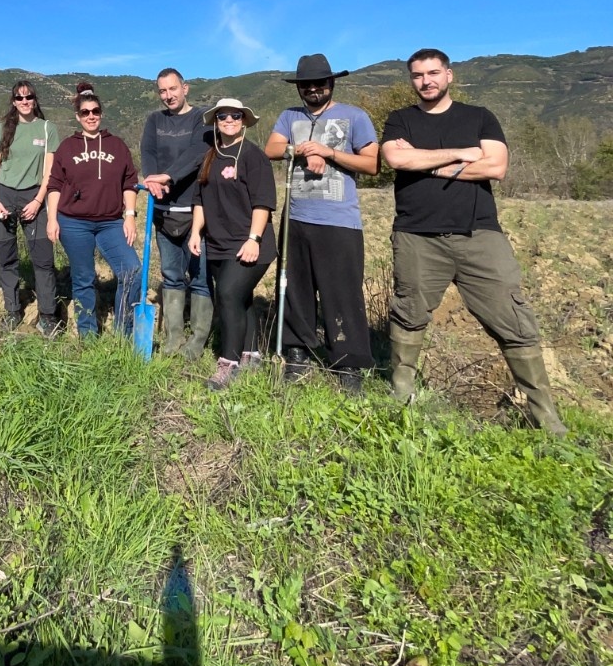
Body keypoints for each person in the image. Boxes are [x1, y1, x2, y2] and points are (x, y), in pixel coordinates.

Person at [380, 49, 565, 433]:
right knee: (409, 314)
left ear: (449, 75)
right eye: (417, 75)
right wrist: (463, 155)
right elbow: (397, 160)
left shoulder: (479, 116)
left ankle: (546, 419)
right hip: (417, 235)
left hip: (479, 234)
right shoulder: (400, 119)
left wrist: (428, 164)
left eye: (433, 73)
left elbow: (496, 166)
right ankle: (402, 400)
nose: (426, 81)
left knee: (513, 320)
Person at [264, 53, 379, 389]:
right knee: (295, 289)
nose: (313, 89)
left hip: (339, 220)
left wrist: (329, 153)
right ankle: (297, 352)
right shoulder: (289, 116)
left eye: (319, 83)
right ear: (298, 88)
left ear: (331, 83)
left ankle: (348, 363)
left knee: (341, 292)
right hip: (296, 217)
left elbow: (371, 164)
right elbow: (272, 149)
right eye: (306, 85)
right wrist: (302, 150)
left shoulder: (355, 117)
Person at [189, 98, 276, 388]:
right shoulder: (210, 157)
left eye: (235, 115)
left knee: (227, 294)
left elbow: (263, 203)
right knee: (240, 298)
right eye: (223, 116)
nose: (229, 120)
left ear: (243, 120)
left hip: (250, 243)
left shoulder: (253, 156)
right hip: (218, 243)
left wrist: (254, 239)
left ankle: (228, 364)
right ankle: (252, 355)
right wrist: (195, 232)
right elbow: (200, 200)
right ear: (216, 121)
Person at [46, 83, 141, 340]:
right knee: (84, 277)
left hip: (111, 222)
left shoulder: (117, 146)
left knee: (132, 271)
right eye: (85, 112)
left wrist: (130, 216)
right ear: (78, 116)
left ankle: (124, 332)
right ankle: (87, 335)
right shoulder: (67, 147)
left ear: (101, 113)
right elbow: (54, 185)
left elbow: (130, 182)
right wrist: (52, 219)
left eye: (95, 111)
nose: (91, 116)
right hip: (74, 222)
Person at [140, 68, 215, 358]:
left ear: (185, 88)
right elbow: (148, 152)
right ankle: (173, 338)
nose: (168, 95)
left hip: (195, 210)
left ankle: (197, 341)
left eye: (173, 89)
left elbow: (197, 153)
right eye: (162, 90)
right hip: (163, 211)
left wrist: (168, 176)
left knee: (200, 277)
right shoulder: (155, 120)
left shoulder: (201, 118)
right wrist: (151, 179)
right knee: (171, 275)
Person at [0, 81, 61, 337]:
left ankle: (48, 315)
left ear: (35, 99)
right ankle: (12, 310)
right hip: (4, 195)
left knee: (43, 259)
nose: (25, 101)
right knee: (7, 257)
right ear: (14, 102)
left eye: (29, 97)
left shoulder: (47, 128)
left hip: (34, 197)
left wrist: (38, 200)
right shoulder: (3, 129)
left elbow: (49, 171)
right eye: (19, 98)